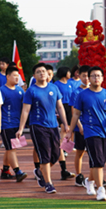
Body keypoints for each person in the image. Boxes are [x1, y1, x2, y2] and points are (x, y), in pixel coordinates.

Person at [17, 62, 69, 194]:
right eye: (38, 72)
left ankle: (40, 171)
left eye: (44, 71)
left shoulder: (54, 88)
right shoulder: (31, 90)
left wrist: (66, 123)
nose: (42, 73)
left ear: (48, 74)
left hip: (53, 126)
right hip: (38, 126)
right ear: (34, 75)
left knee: (56, 154)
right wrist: (21, 128)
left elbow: (60, 107)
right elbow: (25, 111)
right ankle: (49, 183)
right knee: (45, 155)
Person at [67, 66, 106, 201]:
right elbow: (76, 114)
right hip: (90, 131)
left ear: (102, 78)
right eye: (93, 76)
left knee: (101, 161)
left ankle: (89, 181)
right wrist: (69, 131)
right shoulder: (82, 95)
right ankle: (100, 189)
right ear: (89, 78)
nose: (96, 78)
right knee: (97, 162)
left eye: (98, 76)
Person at [0, 66, 27, 182]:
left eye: (18, 76)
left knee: (11, 148)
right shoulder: (2, 90)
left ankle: (5, 171)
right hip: (6, 124)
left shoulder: (20, 90)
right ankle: (17, 171)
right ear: (7, 77)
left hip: (17, 124)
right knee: (11, 149)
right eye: (14, 76)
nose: (17, 78)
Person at [70, 65, 90, 187]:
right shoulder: (76, 92)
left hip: (93, 127)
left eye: (89, 76)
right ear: (79, 76)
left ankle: (96, 176)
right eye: (84, 76)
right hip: (81, 128)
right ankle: (79, 175)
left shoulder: (97, 90)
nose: (87, 78)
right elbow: (74, 112)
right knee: (80, 152)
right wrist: (80, 125)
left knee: (94, 152)